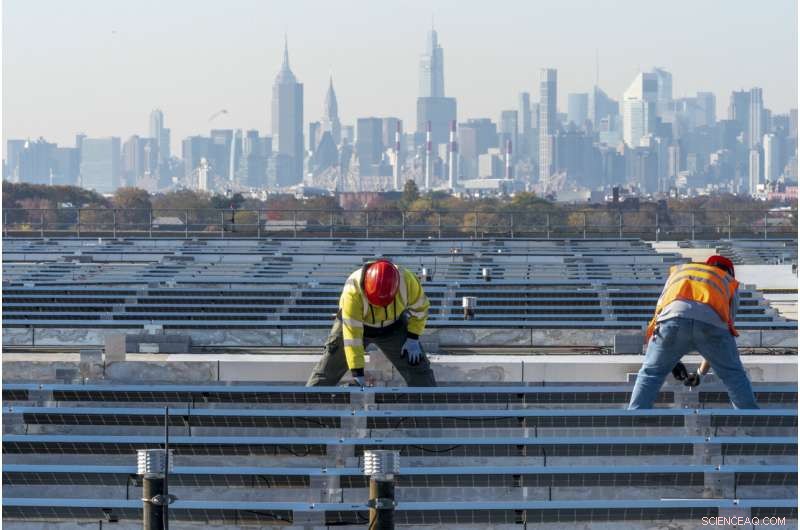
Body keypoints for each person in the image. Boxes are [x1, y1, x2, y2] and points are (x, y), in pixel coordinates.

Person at [628, 255, 758, 409]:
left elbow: (659, 315)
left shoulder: (681, 274)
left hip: (671, 321)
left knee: (651, 374)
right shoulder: (727, 281)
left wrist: (672, 361)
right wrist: (700, 374)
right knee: (733, 376)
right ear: (729, 272)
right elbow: (723, 330)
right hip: (711, 326)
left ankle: (635, 416)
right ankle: (750, 422)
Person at [306, 258, 437, 387]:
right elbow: (353, 338)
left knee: (420, 373)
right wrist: (357, 372)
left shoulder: (407, 281)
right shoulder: (353, 290)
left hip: (393, 327)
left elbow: (421, 309)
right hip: (356, 326)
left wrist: (413, 337)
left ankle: (431, 403)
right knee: (326, 373)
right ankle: (307, 403)